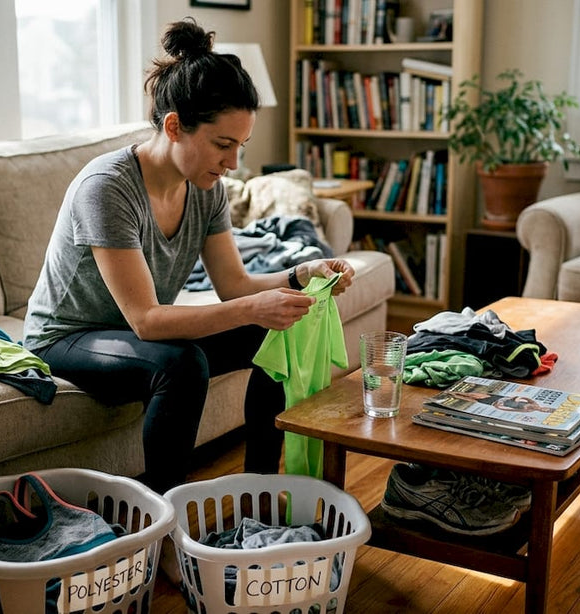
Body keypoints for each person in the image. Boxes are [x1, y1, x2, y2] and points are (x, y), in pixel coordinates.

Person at [22, 18, 354, 494]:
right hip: (66, 339)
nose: (233, 163)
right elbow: (147, 322)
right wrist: (251, 308)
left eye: (240, 146)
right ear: (174, 126)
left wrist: (300, 274)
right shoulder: (107, 188)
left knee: (273, 333)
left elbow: (235, 287)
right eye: (223, 145)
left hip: (131, 334)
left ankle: (259, 492)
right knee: (179, 363)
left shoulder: (206, 188)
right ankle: (165, 523)